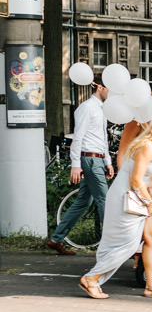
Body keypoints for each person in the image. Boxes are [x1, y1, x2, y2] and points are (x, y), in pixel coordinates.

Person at [78, 115, 152, 299]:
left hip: (133, 197)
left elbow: (140, 179)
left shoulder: (147, 146)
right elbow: (135, 180)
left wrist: (148, 197)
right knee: (128, 244)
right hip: (127, 198)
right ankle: (91, 278)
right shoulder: (147, 148)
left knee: (151, 237)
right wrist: (148, 201)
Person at [47, 75, 115, 256]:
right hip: (90, 159)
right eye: (110, 89)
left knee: (83, 202)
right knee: (104, 199)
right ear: (100, 87)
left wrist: (107, 161)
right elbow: (78, 137)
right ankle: (113, 245)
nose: (112, 93)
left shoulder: (102, 109)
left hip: (98, 158)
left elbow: (103, 139)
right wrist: (75, 165)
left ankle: (56, 239)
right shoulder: (87, 108)